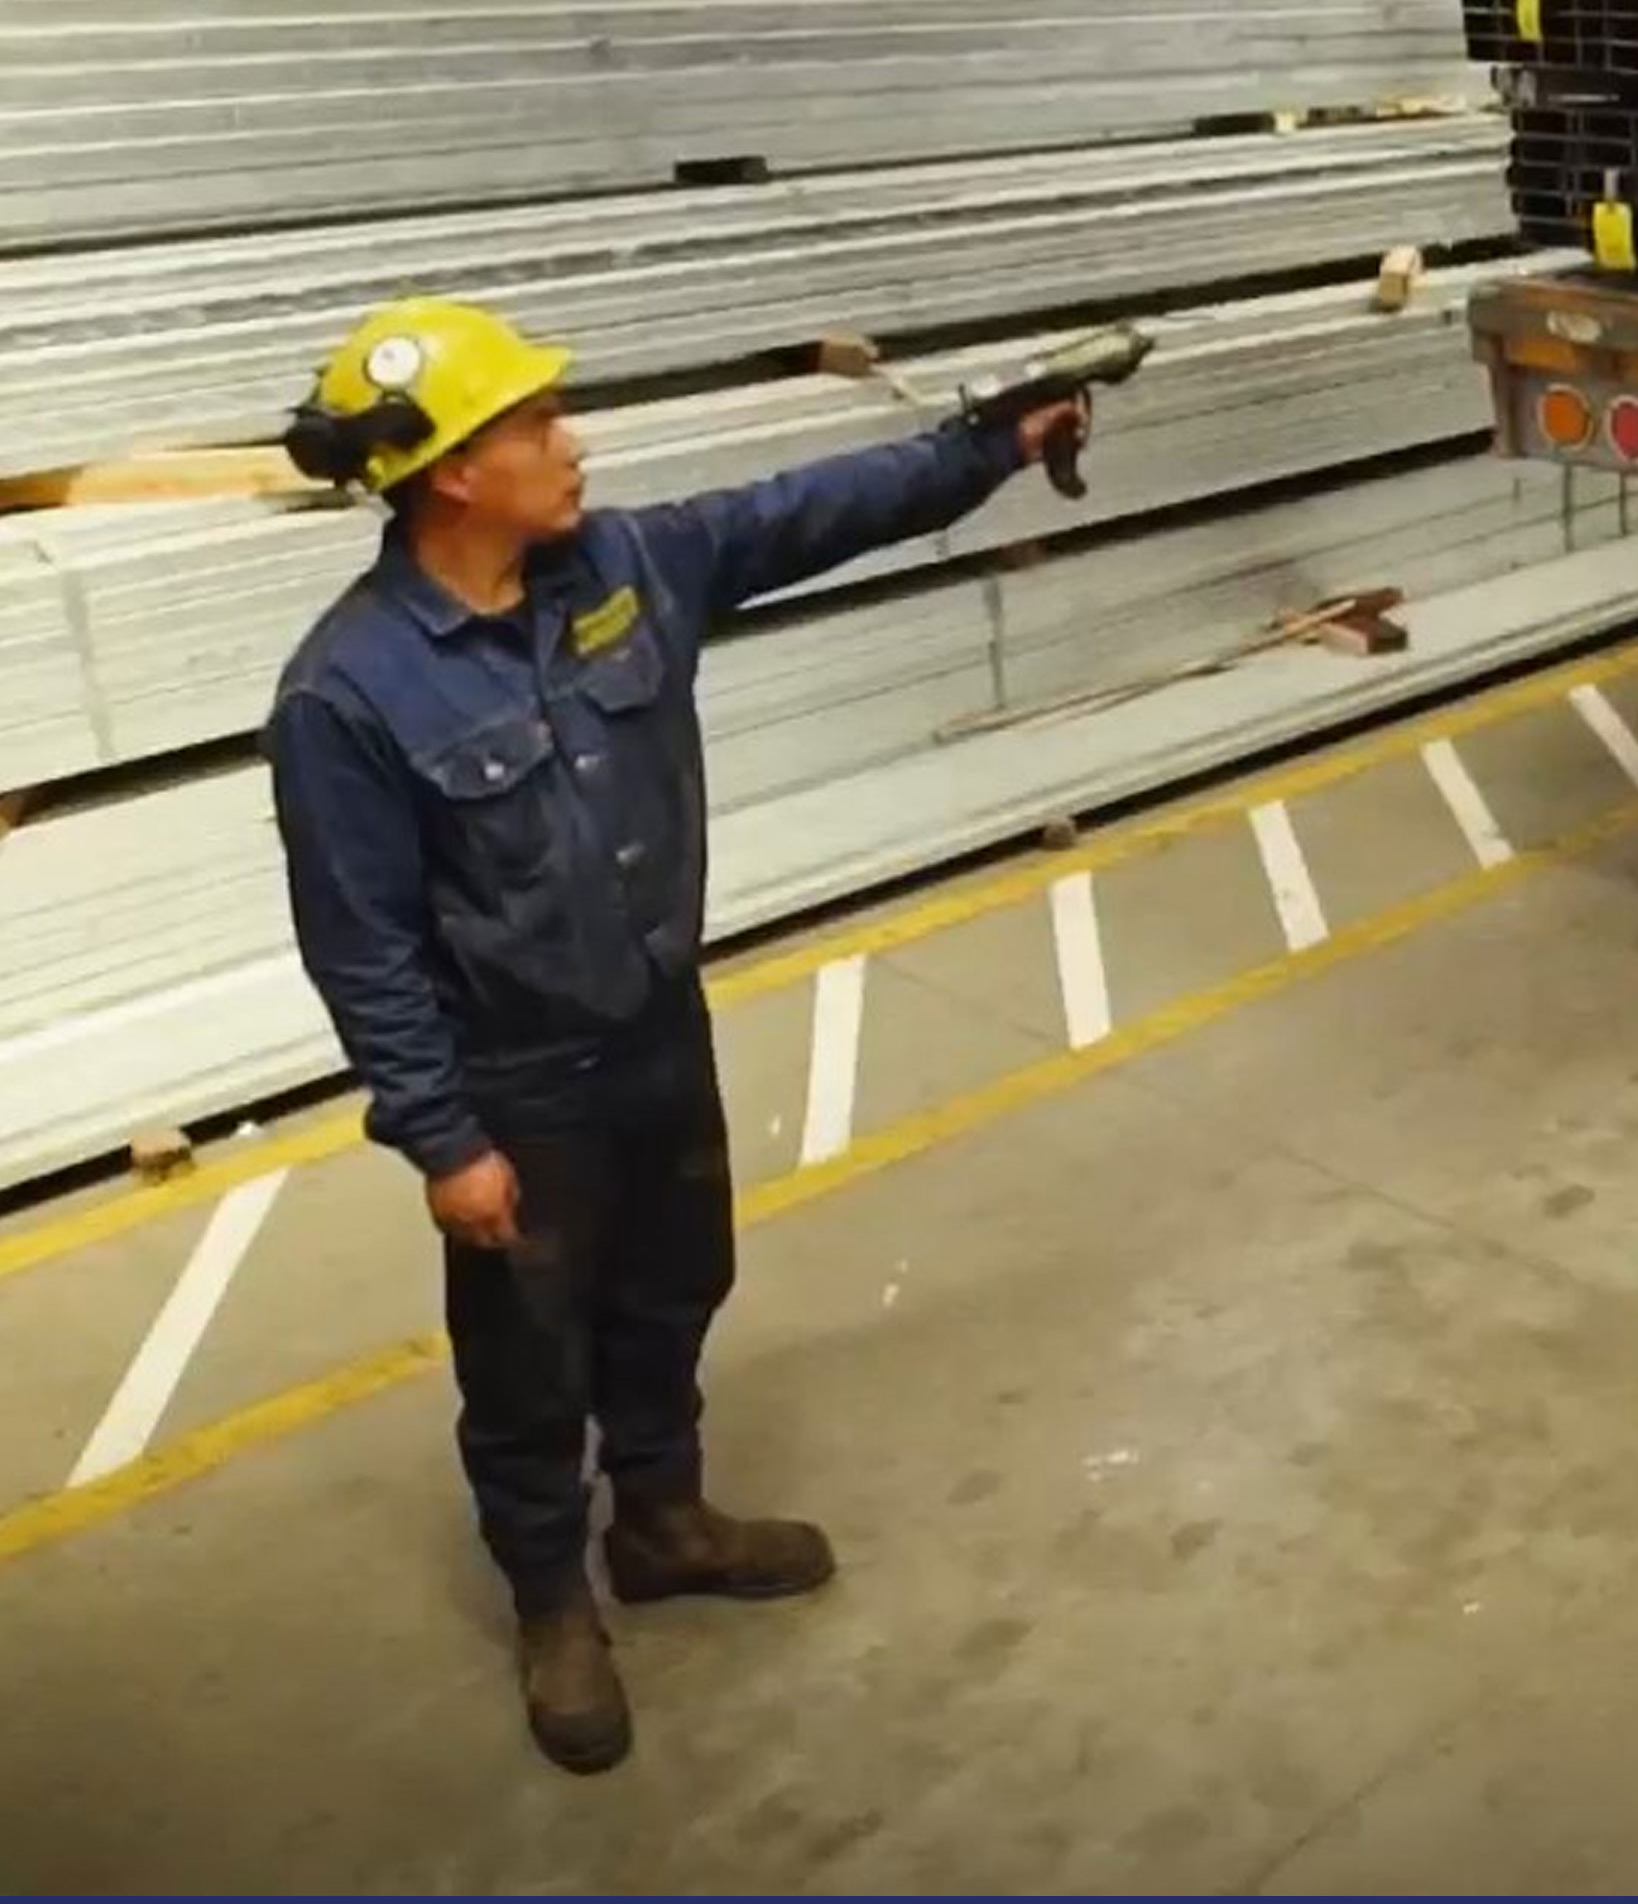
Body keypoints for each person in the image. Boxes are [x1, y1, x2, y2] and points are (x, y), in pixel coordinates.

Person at [262, 298, 1083, 1775]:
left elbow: (804, 514)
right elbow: (363, 947)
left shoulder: (623, 568)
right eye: (535, 426)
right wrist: (445, 1143)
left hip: (655, 1029)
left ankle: (662, 1521)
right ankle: (551, 1601)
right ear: (454, 470)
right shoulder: (348, 694)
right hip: (519, 1088)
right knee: (526, 1363)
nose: (570, 446)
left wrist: (987, 449)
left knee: (673, 1289)